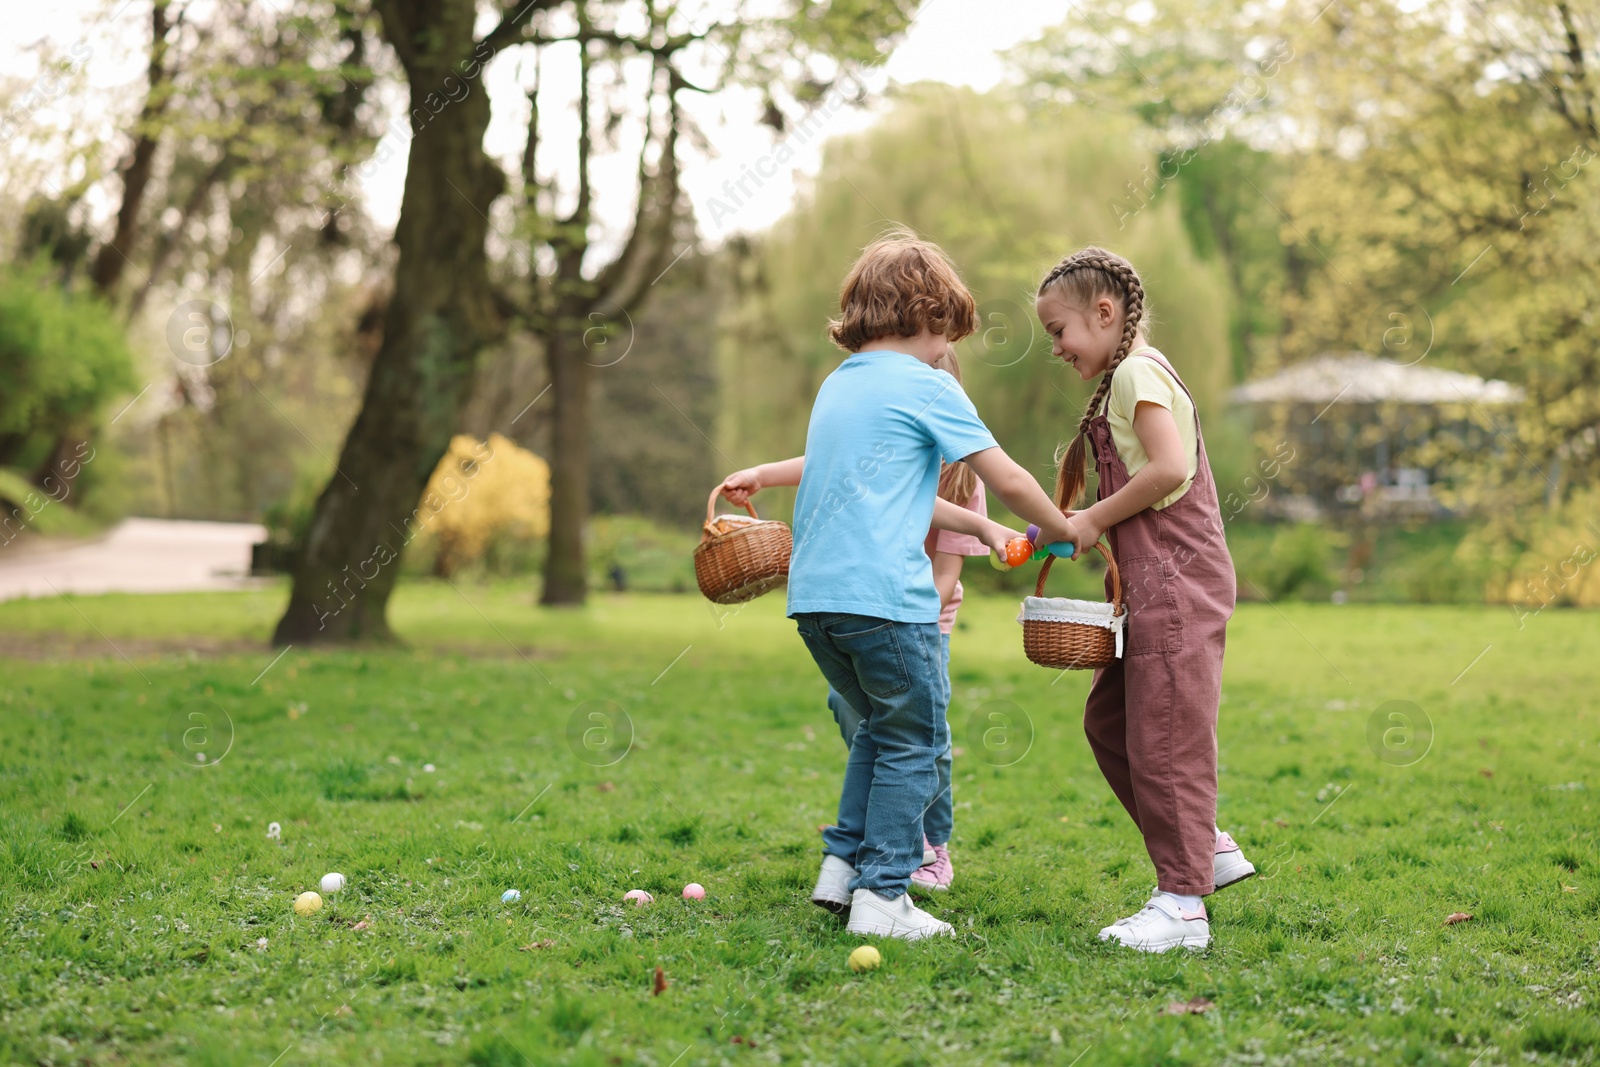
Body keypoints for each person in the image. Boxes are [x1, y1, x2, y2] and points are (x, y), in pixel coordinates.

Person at [722, 232, 1074, 941]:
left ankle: (841, 866)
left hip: (816, 602)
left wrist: (984, 531)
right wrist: (1060, 526)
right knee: (916, 740)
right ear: (934, 316)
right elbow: (1002, 474)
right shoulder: (928, 384)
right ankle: (883, 897)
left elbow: (896, 492)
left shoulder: (839, 383)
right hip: (886, 602)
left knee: (878, 735)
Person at [1039, 246, 1255, 953]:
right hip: (1150, 587)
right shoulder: (1122, 380)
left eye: (1059, 331)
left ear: (1105, 313)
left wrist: (1096, 517)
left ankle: (1182, 904)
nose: (1057, 348)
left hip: (1178, 584)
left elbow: (1168, 467)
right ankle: (1206, 848)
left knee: (1166, 738)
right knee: (1110, 722)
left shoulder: (1136, 371)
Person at [719, 348, 986, 895]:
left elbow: (944, 577)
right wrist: (762, 475)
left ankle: (932, 845)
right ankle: (865, 846)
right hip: (869, 608)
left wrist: (913, 626)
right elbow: (820, 460)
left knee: (923, 738)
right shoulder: (880, 450)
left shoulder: (963, 482)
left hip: (920, 619)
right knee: (867, 719)